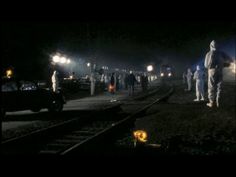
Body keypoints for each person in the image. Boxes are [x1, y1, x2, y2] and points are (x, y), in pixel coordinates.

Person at [204, 40, 233, 108]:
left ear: (210, 46)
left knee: (211, 87)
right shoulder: (221, 53)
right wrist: (224, 64)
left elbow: (206, 65)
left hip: (212, 72)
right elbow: (230, 60)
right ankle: (219, 102)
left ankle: (212, 103)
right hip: (220, 71)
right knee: (219, 86)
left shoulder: (208, 53)